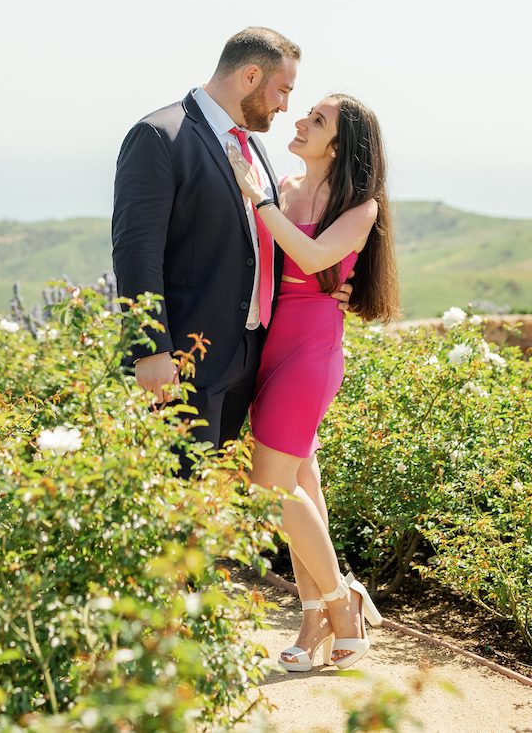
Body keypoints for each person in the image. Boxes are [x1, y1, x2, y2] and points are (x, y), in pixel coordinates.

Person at [111, 27, 353, 459]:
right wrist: (151, 349)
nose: (285, 106)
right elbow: (136, 251)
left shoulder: (253, 147)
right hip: (185, 359)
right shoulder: (159, 136)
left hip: (250, 356)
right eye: (282, 90)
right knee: (179, 496)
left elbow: (263, 243)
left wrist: (334, 287)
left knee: (218, 500)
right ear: (250, 76)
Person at [226, 93, 399, 671]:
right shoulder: (282, 180)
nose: (299, 121)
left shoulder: (360, 205)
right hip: (264, 347)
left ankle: (341, 602)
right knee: (302, 490)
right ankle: (313, 621)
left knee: (268, 488)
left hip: (309, 353)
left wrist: (259, 200)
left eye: (316, 120)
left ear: (341, 143)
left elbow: (312, 252)